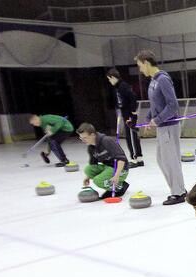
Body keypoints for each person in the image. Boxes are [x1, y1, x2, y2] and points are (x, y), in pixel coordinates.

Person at [134, 50, 187, 205]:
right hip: (162, 127)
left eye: (140, 66)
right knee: (162, 159)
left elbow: (173, 105)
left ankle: (178, 192)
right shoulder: (153, 80)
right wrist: (149, 117)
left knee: (170, 160)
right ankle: (179, 189)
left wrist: (157, 120)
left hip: (169, 127)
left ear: (146, 62)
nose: (140, 69)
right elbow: (156, 104)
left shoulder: (163, 79)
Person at [76, 123, 130, 199]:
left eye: (85, 138)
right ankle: (112, 182)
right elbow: (93, 164)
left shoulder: (107, 141)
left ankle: (120, 187)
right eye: (81, 138)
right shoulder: (91, 147)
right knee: (88, 169)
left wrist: (117, 175)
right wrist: (87, 177)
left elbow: (121, 159)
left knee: (97, 180)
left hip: (120, 168)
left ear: (92, 135)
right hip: (108, 167)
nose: (83, 140)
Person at [106, 68, 144, 168]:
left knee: (131, 137)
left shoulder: (123, 86)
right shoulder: (117, 88)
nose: (109, 81)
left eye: (110, 79)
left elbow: (133, 97)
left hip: (129, 116)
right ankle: (138, 158)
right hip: (125, 114)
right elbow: (120, 102)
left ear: (113, 77)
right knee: (130, 137)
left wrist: (132, 111)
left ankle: (135, 159)